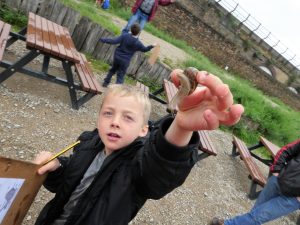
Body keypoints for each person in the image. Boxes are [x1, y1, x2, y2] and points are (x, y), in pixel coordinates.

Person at [33, 69, 244, 225]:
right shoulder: (88, 143)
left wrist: (180, 126)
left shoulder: (138, 165)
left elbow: (160, 170)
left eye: (128, 117)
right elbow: (66, 183)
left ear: (143, 130)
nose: (115, 122)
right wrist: (57, 167)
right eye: (108, 113)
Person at [210, 139, 300, 225]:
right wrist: (276, 170)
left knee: (258, 217)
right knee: (255, 213)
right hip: (277, 181)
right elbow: (286, 150)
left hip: (292, 199)